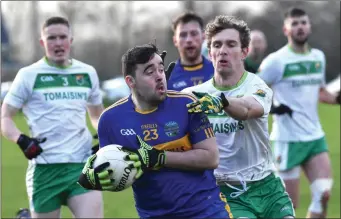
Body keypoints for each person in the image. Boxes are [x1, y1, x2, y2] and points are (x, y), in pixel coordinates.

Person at [77, 43, 232, 218]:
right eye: (150, 72)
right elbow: (111, 168)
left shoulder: (187, 103)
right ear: (130, 81)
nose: (159, 76)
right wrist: (91, 179)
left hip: (206, 210)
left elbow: (211, 158)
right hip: (154, 215)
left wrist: (159, 157)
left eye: (160, 69)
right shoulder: (110, 120)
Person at [183, 15, 295, 218]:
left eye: (231, 44)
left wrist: (222, 101)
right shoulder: (193, 96)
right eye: (217, 45)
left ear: (244, 51)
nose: (223, 50)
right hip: (226, 191)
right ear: (210, 53)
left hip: (267, 186)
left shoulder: (257, 86)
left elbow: (246, 109)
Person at [1, 16, 104, 218]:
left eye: (62, 37)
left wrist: (104, 136)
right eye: (51, 38)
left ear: (70, 40)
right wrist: (21, 140)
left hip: (81, 166)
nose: (58, 43)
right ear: (42, 42)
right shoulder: (28, 75)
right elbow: (5, 116)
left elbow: (97, 114)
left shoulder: (87, 73)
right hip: (44, 171)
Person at [257, 7, 340, 218]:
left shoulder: (317, 57)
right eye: (294, 24)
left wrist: (338, 98)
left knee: (323, 193)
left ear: (310, 26)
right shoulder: (276, 61)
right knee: (288, 206)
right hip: (287, 140)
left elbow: (320, 93)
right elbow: (253, 89)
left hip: (314, 136)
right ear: (286, 30)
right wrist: (273, 107)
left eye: (303, 22)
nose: (300, 27)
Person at [167, 11, 214, 91]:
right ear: (175, 40)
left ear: (203, 37)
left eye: (194, 33)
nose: (189, 40)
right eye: (183, 35)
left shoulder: (218, 70)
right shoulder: (167, 78)